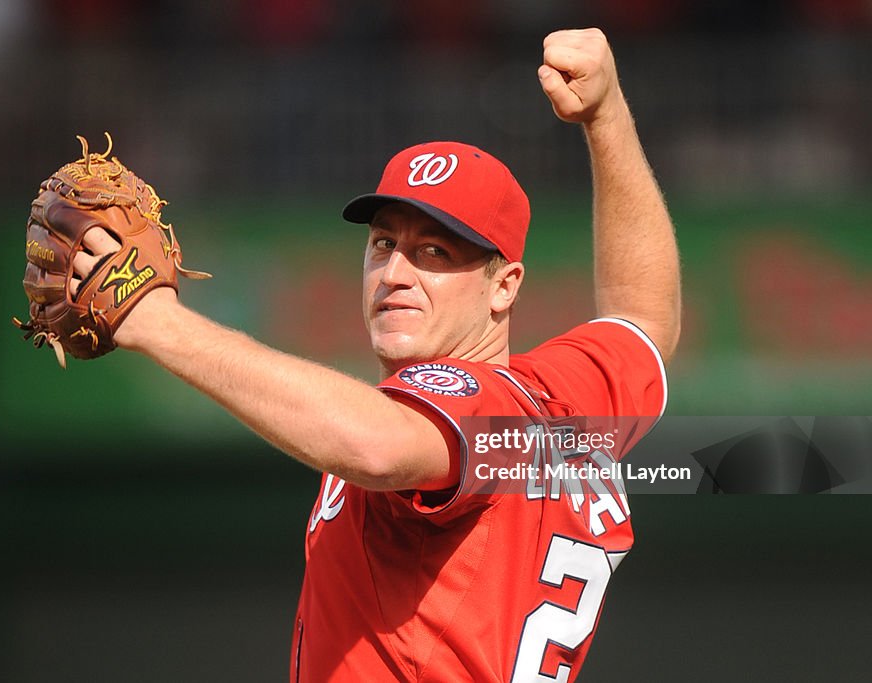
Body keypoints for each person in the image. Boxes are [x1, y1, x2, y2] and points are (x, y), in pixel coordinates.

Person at [69, 27, 680, 683]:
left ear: (503, 287)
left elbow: (379, 445)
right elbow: (642, 315)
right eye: (385, 243)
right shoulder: (567, 400)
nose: (395, 272)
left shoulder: (468, 401)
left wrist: (158, 322)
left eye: (435, 253)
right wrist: (607, 115)